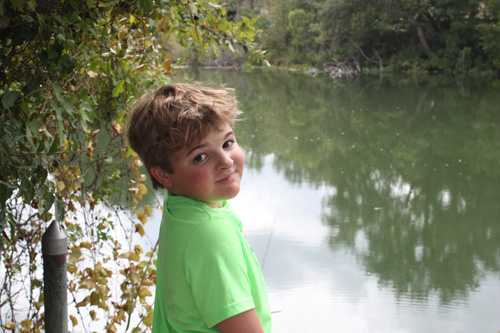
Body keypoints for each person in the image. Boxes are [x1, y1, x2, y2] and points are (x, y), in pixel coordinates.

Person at [127, 83, 272, 333]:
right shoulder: (209, 233)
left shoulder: (183, 209)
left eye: (227, 143)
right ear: (163, 175)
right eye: (200, 157)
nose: (226, 162)